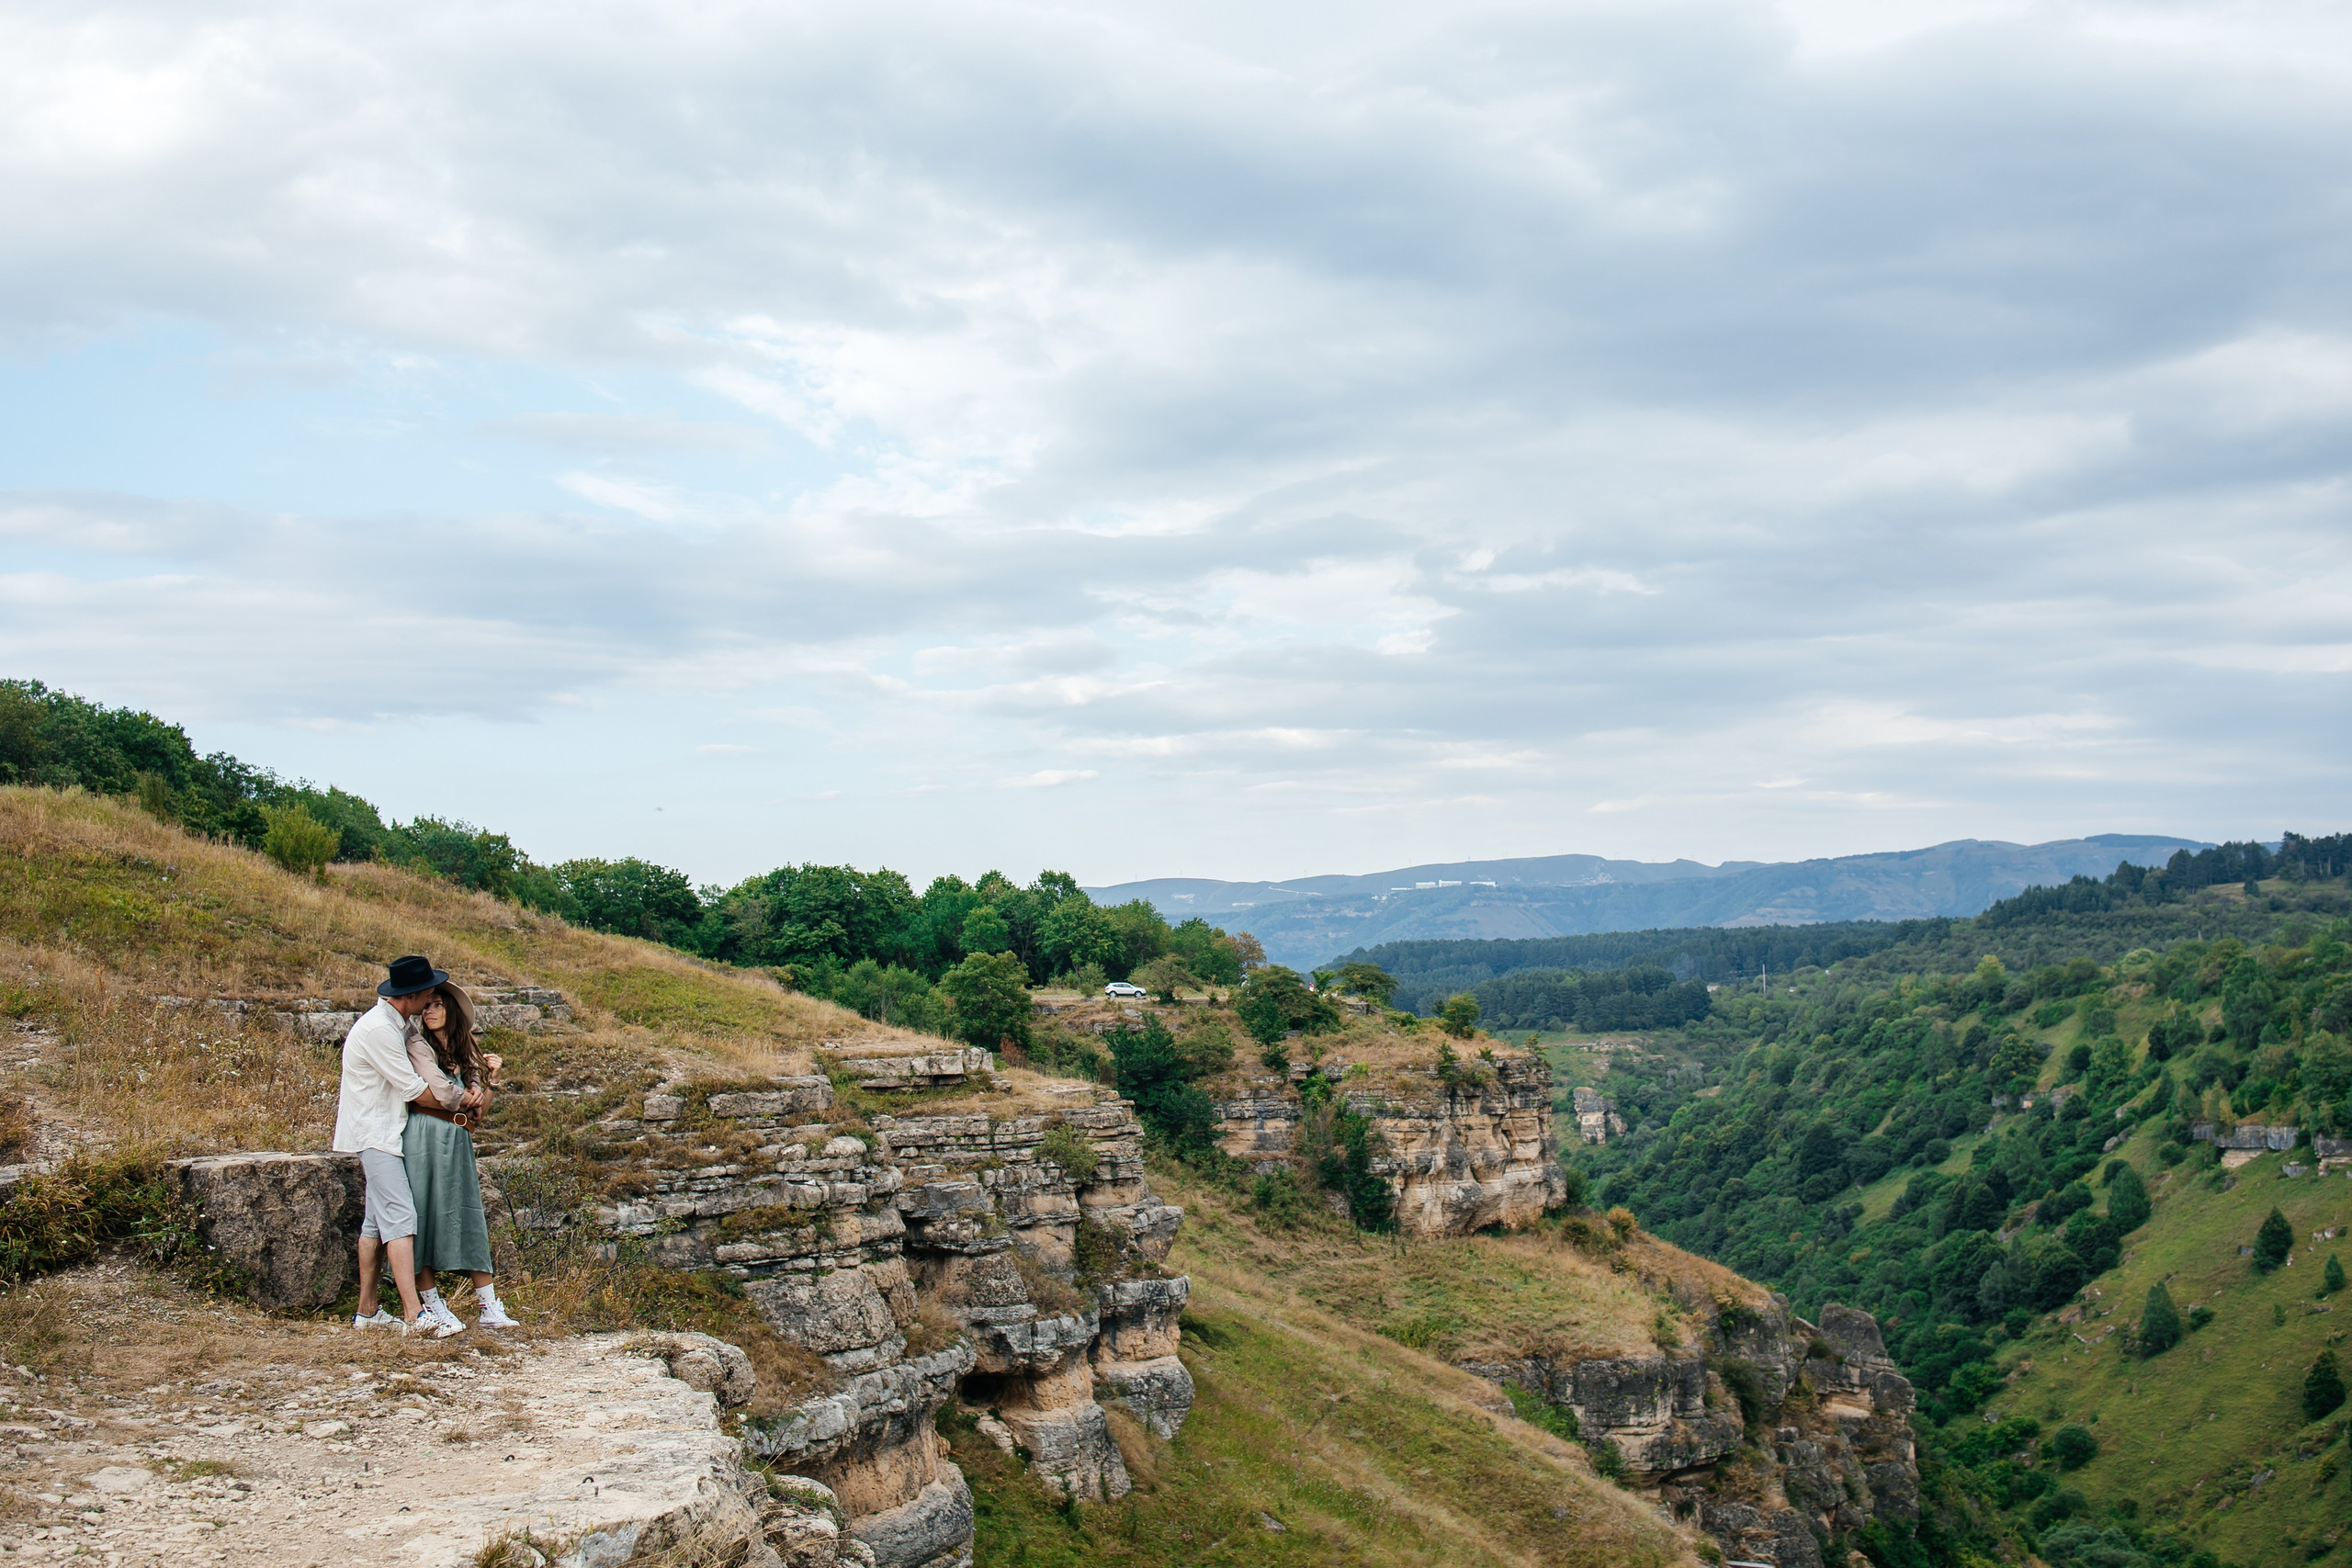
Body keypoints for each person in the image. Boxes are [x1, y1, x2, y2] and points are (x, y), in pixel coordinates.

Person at [334, 954, 461, 1336]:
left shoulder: (398, 1023)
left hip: (384, 1132)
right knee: (401, 1220)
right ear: (414, 995)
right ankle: (415, 1316)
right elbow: (415, 1090)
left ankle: (368, 1313)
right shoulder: (379, 1031)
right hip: (378, 1134)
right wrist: (461, 1104)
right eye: (428, 996)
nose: (430, 1003)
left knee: (374, 1226)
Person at [403, 983, 515, 1332]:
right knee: (422, 1216)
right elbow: (432, 1094)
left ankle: (488, 1306)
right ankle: (433, 1305)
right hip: (424, 1135)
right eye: (427, 1006)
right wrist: (470, 1098)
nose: (430, 1011)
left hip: (458, 1137)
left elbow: (478, 1115)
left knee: (468, 1214)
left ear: (451, 1011)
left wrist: (492, 1083)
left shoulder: (465, 1057)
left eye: (437, 1005)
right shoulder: (418, 1049)